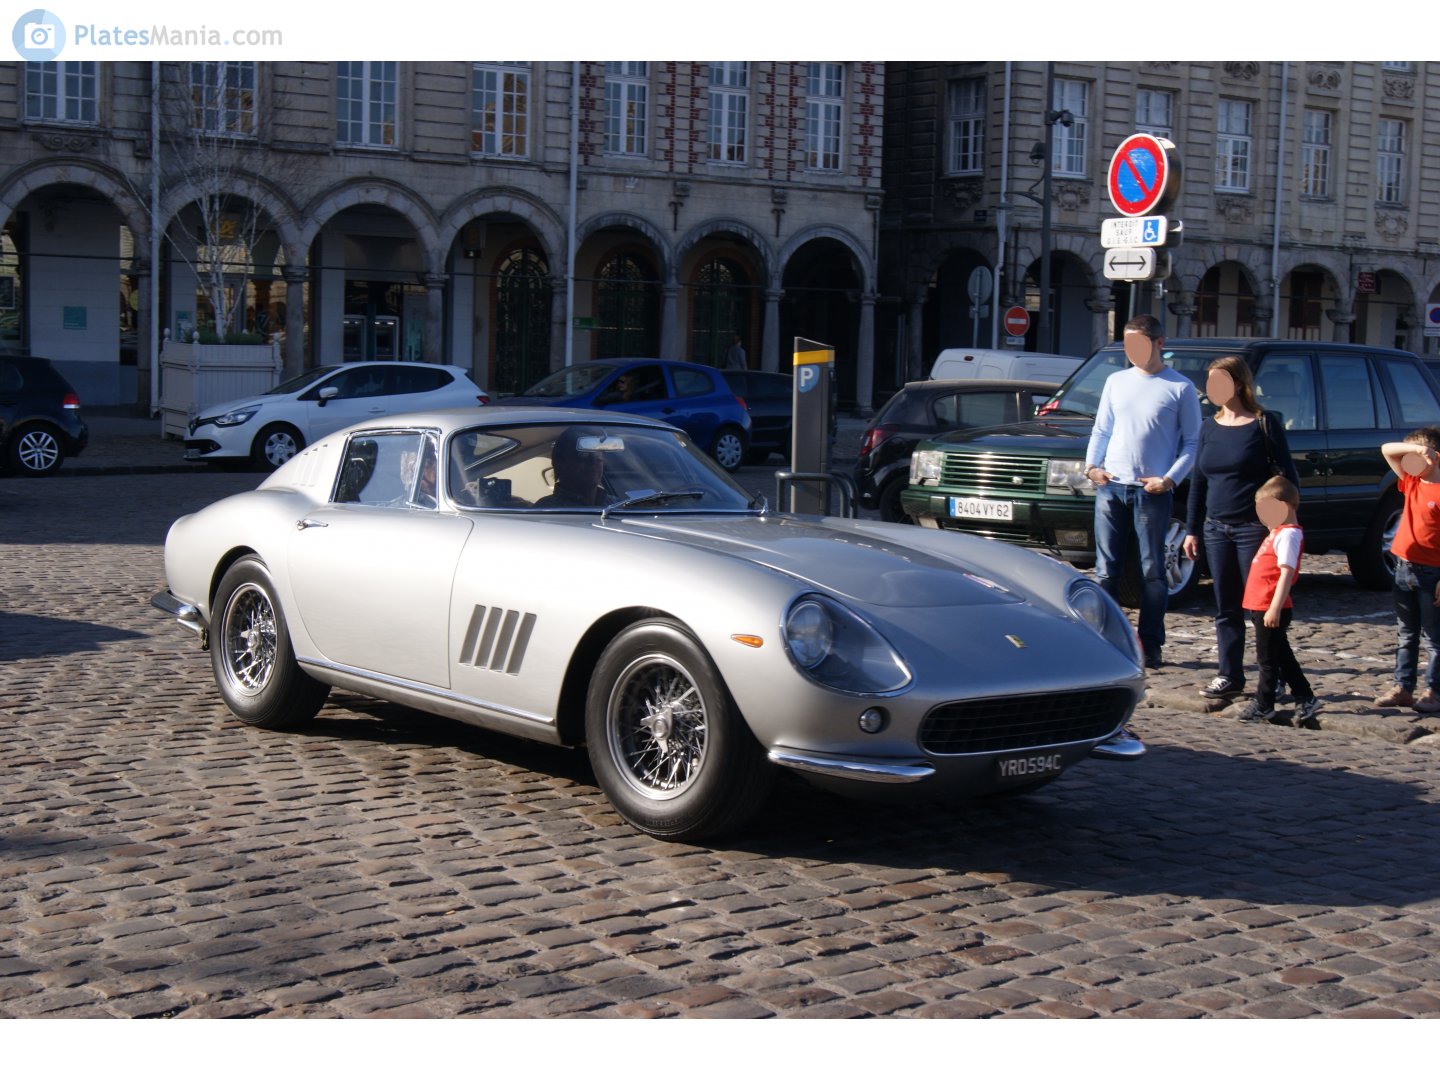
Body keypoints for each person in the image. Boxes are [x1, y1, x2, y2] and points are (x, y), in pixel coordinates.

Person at [1083, 314, 1202, 668]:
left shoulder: (1180, 388)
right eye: (1127, 344)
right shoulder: (1116, 382)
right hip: (1111, 487)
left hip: (1151, 492)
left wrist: (1169, 479)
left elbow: (1193, 443)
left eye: (1139, 344)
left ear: (1159, 344)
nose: (1132, 351)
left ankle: (1150, 643)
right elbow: (1101, 428)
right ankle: (1104, 639)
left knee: (1152, 570)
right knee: (1106, 570)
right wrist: (1092, 466)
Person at [1182, 356, 1300, 700]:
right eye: (1209, 382)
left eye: (1220, 381)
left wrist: (1281, 526)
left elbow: (1286, 478)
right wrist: (1192, 530)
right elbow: (1199, 482)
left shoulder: (1264, 424)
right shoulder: (1208, 426)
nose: (1212, 388)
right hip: (1215, 528)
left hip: (1254, 528)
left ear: (1239, 383)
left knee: (1261, 609)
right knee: (1226, 606)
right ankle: (1229, 674)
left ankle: (1273, 673)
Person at [1235, 475, 1319, 726]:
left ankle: (1264, 703)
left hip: (1270, 606)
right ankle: (1305, 696)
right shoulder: (1278, 532)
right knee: (1282, 656)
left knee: (1268, 660)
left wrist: (1274, 607)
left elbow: (1286, 572)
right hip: (1261, 605)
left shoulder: (1288, 535)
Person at [1375, 427, 1440, 713]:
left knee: (1434, 637)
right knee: (1406, 633)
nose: (1407, 461)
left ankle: (1434, 691)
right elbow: (1386, 450)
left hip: (1431, 574)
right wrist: (1413, 451)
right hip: (1403, 568)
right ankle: (1403, 686)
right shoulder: (1411, 481)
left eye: (1415, 455)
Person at [536, 426, 609, 508]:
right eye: (583, 456)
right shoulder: (547, 509)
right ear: (561, 464)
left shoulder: (615, 504)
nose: (593, 463)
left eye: (598, 457)